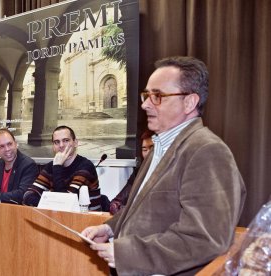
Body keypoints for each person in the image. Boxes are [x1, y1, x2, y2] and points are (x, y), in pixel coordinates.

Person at [81, 56, 246, 275]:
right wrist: (109, 228)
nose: (145, 104)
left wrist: (128, 254)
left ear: (189, 102)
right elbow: (143, 211)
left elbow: (205, 238)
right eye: (146, 95)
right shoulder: (159, 146)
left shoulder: (207, 151)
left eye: (157, 96)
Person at [23, 125, 102, 210]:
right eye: (56, 142)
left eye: (66, 140)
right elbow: (28, 196)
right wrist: (52, 203)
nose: (61, 145)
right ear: (53, 146)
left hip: (88, 220)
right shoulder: (51, 166)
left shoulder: (85, 166)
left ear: (75, 143)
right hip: (60, 219)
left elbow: (66, 203)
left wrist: (57, 167)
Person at [0, 128, 38, 204]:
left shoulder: (28, 165)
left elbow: (22, 194)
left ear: (15, 144)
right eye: (2, 146)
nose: (7, 149)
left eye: (9, 144)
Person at [109, 129, 154, 215]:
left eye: (152, 148)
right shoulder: (139, 172)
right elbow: (115, 203)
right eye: (144, 150)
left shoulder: (168, 173)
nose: (148, 153)